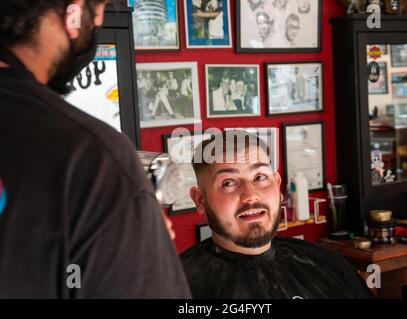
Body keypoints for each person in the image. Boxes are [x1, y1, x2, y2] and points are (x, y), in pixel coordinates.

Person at [0, 0, 190, 298]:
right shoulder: (89, 156)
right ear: (73, 12)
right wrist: (134, 247)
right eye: (99, 6)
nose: (100, 19)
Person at [181, 130, 374, 298]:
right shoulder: (174, 286)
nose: (250, 195)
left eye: (260, 177)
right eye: (229, 182)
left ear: (278, 185)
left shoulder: (330, 266)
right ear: (200, 200)